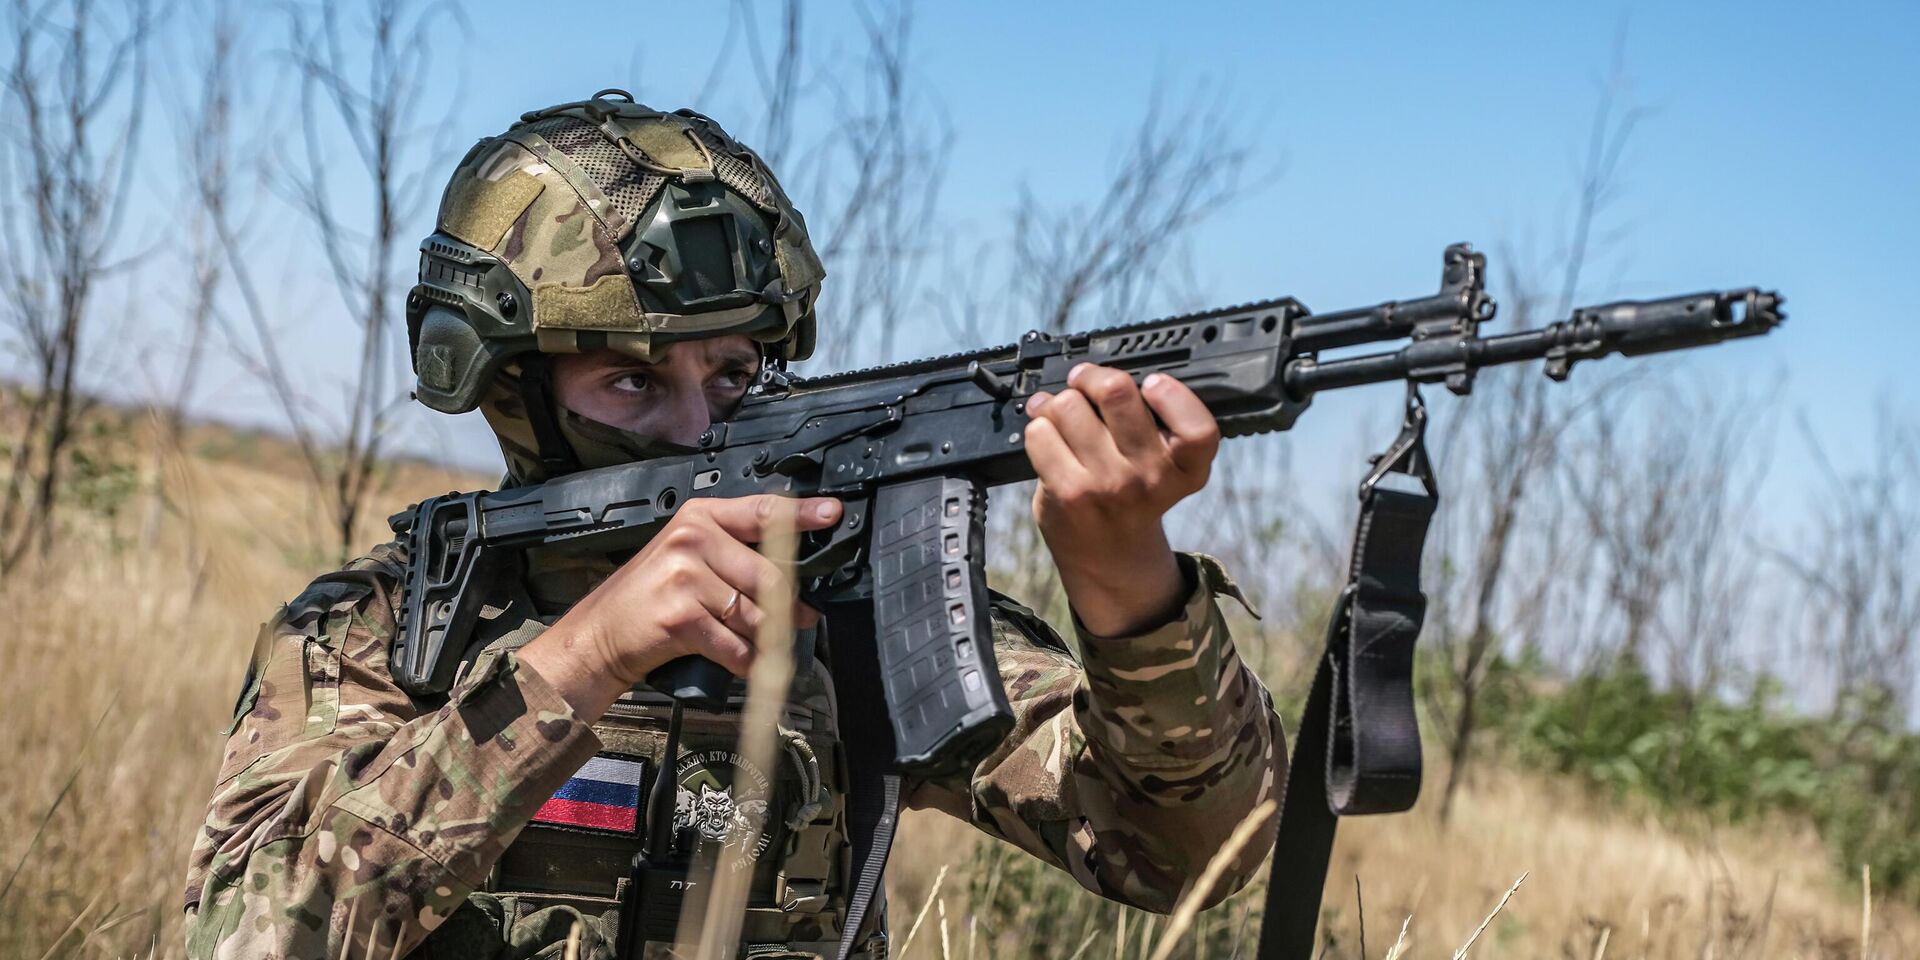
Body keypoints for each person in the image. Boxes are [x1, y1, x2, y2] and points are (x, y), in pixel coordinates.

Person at [183, 92, 1284, 960]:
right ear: (515, 389)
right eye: (632, 381)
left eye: (734, 374)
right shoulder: (384, 634)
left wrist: (1130, 594)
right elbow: (250, 937)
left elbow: (1188, 857)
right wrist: (582, 662)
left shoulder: (845, 613)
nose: (695, 427)